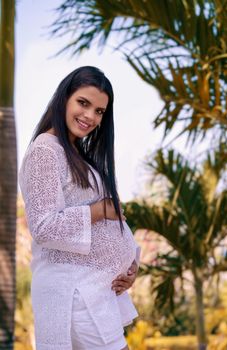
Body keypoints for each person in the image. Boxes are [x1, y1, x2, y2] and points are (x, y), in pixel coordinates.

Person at [19, 66, 140, 350]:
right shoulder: (46, 150)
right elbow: (44, 226)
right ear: (64, 98)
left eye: (99, 111)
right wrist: (99, 210)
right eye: (83, 103)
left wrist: (130, 263)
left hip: (93, 291)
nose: (90, 116)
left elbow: (111, 220)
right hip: (74, 295)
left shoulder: (75, 153)